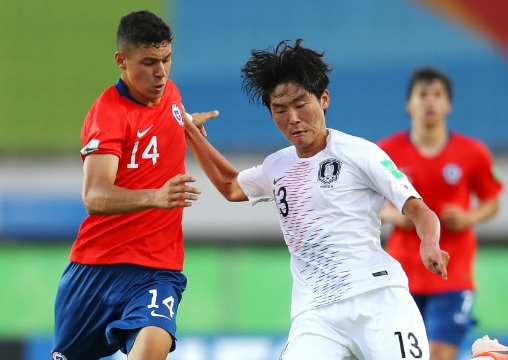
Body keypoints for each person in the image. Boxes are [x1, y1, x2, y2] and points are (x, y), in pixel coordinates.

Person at [184, 39, 450, 360]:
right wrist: (191, 135)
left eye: (301, 104)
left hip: (376, 299)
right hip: (316, 314)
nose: (293, 118)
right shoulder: (277, 166)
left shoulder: (358, 153)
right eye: (280, 110)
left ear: (324, 99)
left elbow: (418, 209)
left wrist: (430, 243)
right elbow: (231, 186)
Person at [51, 10, 217, 360]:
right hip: (96, 267)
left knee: (152, 346)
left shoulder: (170, 92)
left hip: (158, 270)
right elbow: (94, 196)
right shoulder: (108, 115)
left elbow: (164, 122)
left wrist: (186, 125)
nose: (161, 72)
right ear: (121, 61)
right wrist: (156, 196)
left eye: (166, 59)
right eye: (149, 62)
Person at [378, 67, 503, 360]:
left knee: (438, 354)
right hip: (402, 273)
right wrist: (395, 216)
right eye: (422, 95)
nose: (429, 102)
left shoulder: (473, 152)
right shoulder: (385, 152)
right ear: (409, 104)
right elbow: (369, 203)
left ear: (448, 104)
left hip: (453, 274)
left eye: (437, 95)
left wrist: (469, 217)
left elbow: (491, 200)